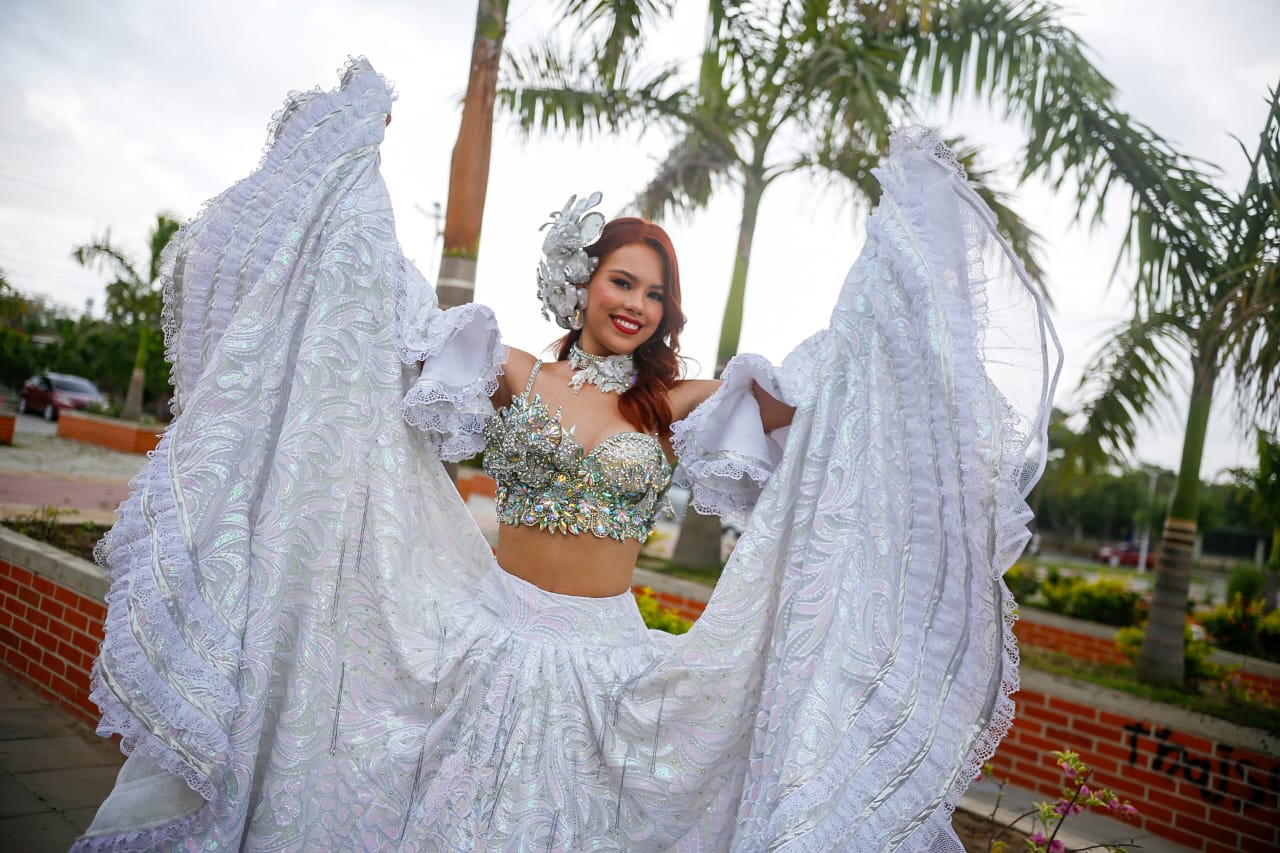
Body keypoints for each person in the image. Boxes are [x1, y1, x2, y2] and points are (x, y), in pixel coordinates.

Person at [74, 59, 1060, 851]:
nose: (635, 304)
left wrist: (889, 290)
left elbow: (826, 417)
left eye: (654, 296)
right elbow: (368, 329)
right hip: (477, 635)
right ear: (582, 282)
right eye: (621, 281)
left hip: (610, 665)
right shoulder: (502, 366)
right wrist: (350, 191)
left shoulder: (681, 400)